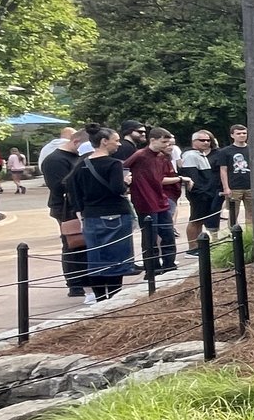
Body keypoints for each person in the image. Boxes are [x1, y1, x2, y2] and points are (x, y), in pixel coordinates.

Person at [68, 124, 138, 302]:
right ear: (104, 142)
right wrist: (126, 182)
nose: (119, 144)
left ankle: (100, 299)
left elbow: (71, 187)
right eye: (116, 141)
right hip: (115, 213)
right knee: (117, 259)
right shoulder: (114, 164)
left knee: (96, 258)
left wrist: (79, 211)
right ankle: (114, 297)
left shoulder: (82, 163)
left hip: (91, 216)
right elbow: (117, 189)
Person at [126, 127, 182, 274]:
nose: (166, 145)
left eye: (168, 142)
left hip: (161, 199)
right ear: (153, 140)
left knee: (168, 234)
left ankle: (169, 264)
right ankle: (153, 269)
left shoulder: (162, 157)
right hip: (145, 200)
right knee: (150, 238)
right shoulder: (140, 155)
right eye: (163, 142)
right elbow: (123, 167)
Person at [41, 132, 90, 299]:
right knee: (73, 244)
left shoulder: (76, 157)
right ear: (76, 142)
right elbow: (59, 186)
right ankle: (75, 283)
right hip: (65, 207)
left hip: (80, 205)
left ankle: (86, 277)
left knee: (85, 245)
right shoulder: (55, 160)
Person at [180, 130, 223, 245]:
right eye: (202, 140)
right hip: (199, 195)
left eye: (208, 140)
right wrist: (202, 193)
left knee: (199, 221)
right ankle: (192, 247)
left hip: (206, 194)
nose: (206, 142)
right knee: (195, 220)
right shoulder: (190, 155)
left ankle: (198, 247)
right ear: (194, 141)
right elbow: (192, 178)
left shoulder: (200, 154)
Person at [215, 124, 253, 230]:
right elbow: (223, 170)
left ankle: (249, 237)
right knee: (233, 215)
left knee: (252, 215)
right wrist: (226, 187)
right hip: (234, 187)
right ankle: (233, 238)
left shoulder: (252, 149)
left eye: (244, 133)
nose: (242, 135)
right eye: (239, 133)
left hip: (251, 186)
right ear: (232, 135)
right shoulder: (225, 151)